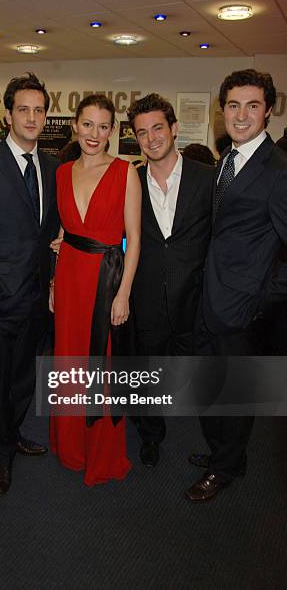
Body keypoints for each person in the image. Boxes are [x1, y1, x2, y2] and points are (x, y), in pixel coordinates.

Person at [186, 69, 287, 501]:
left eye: (252, 105)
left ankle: (226, 467)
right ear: (222, 109)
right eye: (233, 105)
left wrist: (263, 297)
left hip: (244, 305)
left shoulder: (278, 170)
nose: (241, 115)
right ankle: (224, 453)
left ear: (267, 111)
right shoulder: (224, 156)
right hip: (209, 297)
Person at [0, 73, 59, 497]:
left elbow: (52, 229)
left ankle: (14, 432)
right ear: (8, 115)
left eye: (39, 110)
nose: (32, 117)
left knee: (23, 378)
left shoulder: (53, 167)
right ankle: (0, 457)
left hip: (37, 298)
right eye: (24, 109)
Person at [49, 94, 141, 486]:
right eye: (88, 124)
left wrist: (123, 294)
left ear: (112, 132)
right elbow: (63, 232)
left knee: (100, 368)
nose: (95, 134)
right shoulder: (61, 171)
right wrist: (54, 281)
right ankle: (70, 447)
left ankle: (100, 453)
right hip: (69, 278)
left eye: (104, 126)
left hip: (106, 279)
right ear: (75, 125)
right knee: (69, 362)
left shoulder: (125, 172)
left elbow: (135, 239)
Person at [126, 94, 214, 467]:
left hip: (194, 299)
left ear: (174, 129)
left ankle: (219, 448)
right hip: (145, 299)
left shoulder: (208, 179)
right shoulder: (128, 181)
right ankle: (150, 436)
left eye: (158, 128)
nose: (151, 138)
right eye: (142, 132)